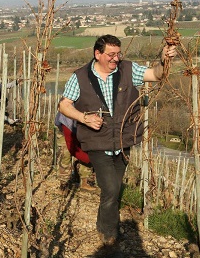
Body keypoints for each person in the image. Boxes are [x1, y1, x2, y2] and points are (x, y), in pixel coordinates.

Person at [58, 34, 176, 246]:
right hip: (96, 141)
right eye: (111, 55)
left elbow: (157, 75)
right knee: (111, 188)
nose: (116, 59)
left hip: (123, 141)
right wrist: (83, 117)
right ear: (97, 54)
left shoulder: (128, 70)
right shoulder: (80, 77)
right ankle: (108, 233)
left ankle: (102, 222)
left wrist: (164, 59)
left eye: (118, 54)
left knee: (114, 186)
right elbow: (64, 105)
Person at [55, 110, 95, 192]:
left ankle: (85, 181)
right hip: (65, 129)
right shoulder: (69, 101)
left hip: (83, 129)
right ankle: (64, 184)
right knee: (65, 155)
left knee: (86, 150)